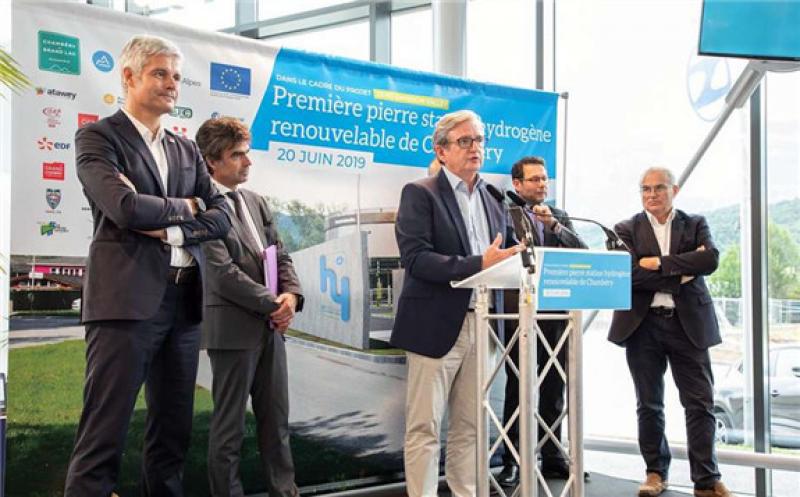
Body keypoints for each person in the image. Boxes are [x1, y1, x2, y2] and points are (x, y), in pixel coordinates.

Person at [65, 35, 230, 497]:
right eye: (160, 73)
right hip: (125, 304)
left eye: (176, 76)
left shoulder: (186, 149)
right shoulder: (98, 137)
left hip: (184, 303)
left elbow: (223, 216)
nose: (172, 83)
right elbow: (125, 207)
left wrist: (174, 229)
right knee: (103, 435)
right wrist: (190, 206)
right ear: (129, 76)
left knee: (173, 435)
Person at [391, 109, 521, 497]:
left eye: (479, 140)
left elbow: (507, 255)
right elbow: (416, 259)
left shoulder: (495, 199)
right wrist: (479, 264)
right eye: (465, 141)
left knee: (470, 426)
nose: (475, 147)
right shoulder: (420, 193)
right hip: (435, 324)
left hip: (485, 324)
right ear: (441, 150)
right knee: (425, 426)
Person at [608, 167, 733, 497]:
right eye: (645, 188)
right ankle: (655, 473)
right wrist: (682, 270)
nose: (651, 194)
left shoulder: (695, 223)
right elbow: (629, 274)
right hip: (642, 326)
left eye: (659, 188)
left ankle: (706, 480)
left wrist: (659, 263)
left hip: (687, 324)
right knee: (649, 404)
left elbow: (710, 261)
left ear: (674, 190)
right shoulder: (625, 229)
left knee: (700, 403)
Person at [195, 117, 303, 497]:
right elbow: (221, 273)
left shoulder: (256, 202)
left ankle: (285, 492)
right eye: (237, 155)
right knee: (229, 431)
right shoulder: (199, 206)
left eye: (247, 152)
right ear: (211, 161)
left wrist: (291, 296)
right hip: (233, 332)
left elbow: (280, 255)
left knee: (277, 424)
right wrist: (273, 303)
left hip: (271, 329)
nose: (248, 161)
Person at [497, 156, 587, 486]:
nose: (542, 185)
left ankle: (552, 456)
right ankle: (512, 460)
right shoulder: (504, 214)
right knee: (517, 388)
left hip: (555, 316)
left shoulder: (558, 215)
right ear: (517, 184)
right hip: (516, 315)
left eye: (544, 179)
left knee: (553, 388)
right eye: (535, 179)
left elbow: (582, 251)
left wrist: (554, 227)